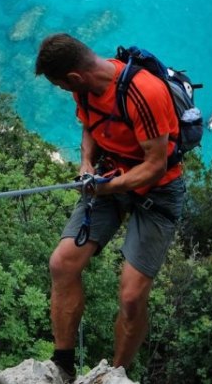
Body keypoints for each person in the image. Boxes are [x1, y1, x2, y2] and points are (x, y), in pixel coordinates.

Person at [35, 33, 186, 381]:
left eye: (61, 85)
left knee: (132, 296)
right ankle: (63, 364)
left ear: (74, 76)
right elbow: (90, 125)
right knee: (61, 264)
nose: (63, 91)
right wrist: (86, 163)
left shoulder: (143, 93)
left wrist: (107, 188)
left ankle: (115, 373)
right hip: (109, 177)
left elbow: (155, 166)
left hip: (157, 193)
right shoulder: (83, 87)